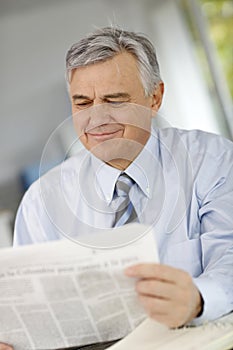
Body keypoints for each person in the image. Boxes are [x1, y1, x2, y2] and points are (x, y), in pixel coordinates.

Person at [7, 27, 233, 344]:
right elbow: (28, 311)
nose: (97, 119)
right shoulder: (42, 200)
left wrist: (198, 297)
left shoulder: (212, 160)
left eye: (115, 100)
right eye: (82, 102)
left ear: (155, 98)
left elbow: (229, 259)